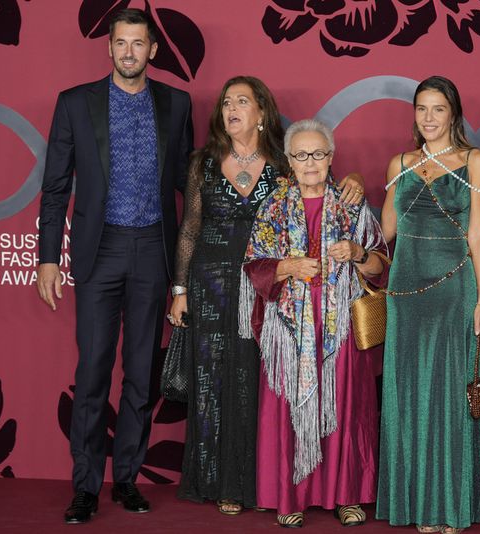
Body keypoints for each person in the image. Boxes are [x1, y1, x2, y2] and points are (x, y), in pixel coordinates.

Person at [169, 80, 364, 516]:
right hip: (212, 285)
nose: (231, 108)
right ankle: (222, 484)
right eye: (226, 102)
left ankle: (258, 482)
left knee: (256, 384)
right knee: (212, 384)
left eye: (242, 101)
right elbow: (189, 228)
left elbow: (324, 189)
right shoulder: (203, 161)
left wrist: (352, 178)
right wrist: (179, 289)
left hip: (268, 293)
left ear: (262, 113)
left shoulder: (283, 159)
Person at [35, 8, 193, 525]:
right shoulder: (76, 103)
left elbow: (191, 191)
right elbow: (56, 188)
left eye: (138, 44)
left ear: (153, 50)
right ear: (109, 48)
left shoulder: (177, 103)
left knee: (142, 374)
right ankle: (85, 486)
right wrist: (48, 258)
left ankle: (125, 478)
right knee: (93, 371)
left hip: (154, 248)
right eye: (120, 43)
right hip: (98, 252)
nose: (129, 52)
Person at [239, 118, 386, 528]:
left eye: (318, 154)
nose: (310, 162)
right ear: (288, 159)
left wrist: (357, 252)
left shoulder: (350, 204)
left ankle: (348, 495)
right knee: (291, 408)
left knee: (345, 408)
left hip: (340, 327)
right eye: (301, 155)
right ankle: (292, 497)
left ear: (331, 158)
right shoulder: (272, 207)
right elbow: (253, 265)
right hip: (289, 328)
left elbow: (379, 264)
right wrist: (286, 266)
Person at [376, 76, 480, 534]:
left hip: (453, 289)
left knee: (447, 395)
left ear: (454, 114)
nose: (428, 118)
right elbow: (383, 232)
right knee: (406, 394)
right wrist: (343, 189)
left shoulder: (475, 161)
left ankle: (447, 505)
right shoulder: (400, 164)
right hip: (404, 291)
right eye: (421, 108)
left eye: (437, 109)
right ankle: (413, 503)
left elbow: (478, 234)